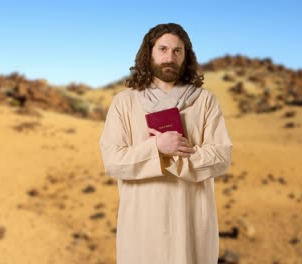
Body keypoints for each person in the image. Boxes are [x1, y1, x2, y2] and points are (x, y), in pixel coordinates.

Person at [99, 23, 232, 264]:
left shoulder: (204, 101)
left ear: (186, 56)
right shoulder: (124, 103)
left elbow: (221, 157)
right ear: (149, 53)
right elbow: (113, 161)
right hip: (142, 223)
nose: (169, 57)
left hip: (190, 221)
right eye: (162, 49)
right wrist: (156, 149)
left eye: (177, 51)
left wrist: (172, 154)